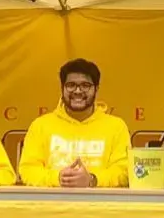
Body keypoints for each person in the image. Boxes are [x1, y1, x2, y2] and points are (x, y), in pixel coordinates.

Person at [18, 59, 130, 188]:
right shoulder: (40, 125)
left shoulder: (116, 126)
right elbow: (28, 170)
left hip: (100, 206)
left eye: (85, 85)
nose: (77, 91)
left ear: (96, 89)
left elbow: (124, 172)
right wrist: (59, 178)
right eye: (71, 85)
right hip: (51, 206)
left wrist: (91, 180)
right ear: (62, 88)